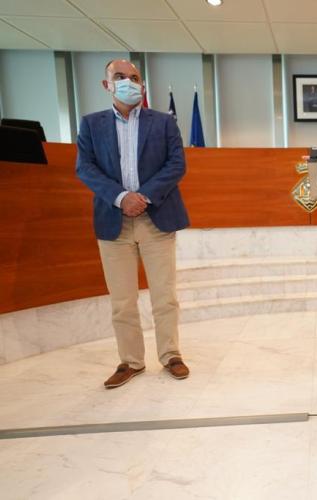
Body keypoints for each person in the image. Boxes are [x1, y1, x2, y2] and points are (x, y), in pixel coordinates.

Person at [76, 59, 191, 388]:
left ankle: (171, 355)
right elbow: (85, 168)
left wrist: (142, 197)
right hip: (113, 221)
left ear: (142, 84)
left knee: (164, 296)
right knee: (122, 300)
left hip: (156, 219)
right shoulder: (91, 124)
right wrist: (121, 197)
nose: (128, 81)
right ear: (107, 84)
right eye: (120, 76)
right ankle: (131, 361)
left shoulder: (163, 122)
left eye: (135, 77)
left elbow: (176, 164)